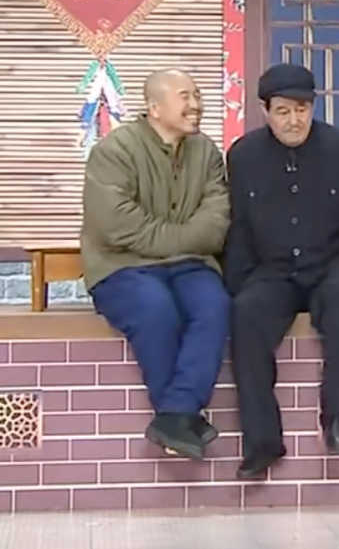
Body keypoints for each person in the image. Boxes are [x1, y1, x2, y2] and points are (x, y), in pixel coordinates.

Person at [225, 63, 339, 480]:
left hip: (333, 261)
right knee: (246, 312)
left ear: (313, 107)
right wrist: (234, 287)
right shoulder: (243, 155)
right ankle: (262, 442)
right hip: (274, 268)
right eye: (283, 111)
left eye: (302, 109)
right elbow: (238, 227)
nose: (294, 120)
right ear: (265, 111)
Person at [81, 68, 231, 461]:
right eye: (185, 96)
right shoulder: (114, 151)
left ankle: (174, 415)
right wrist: (182, 239)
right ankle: (180, 415)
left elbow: (216, 222)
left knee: (215, 305)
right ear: (154, 107)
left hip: (190, 266)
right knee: (155, 307)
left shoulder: (207, 153)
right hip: (121, 266)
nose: (196, 105)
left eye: (197, 95)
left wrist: (179, 244)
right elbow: (117, 226)